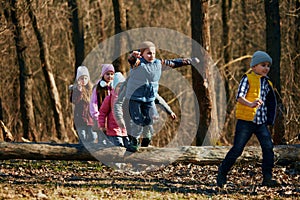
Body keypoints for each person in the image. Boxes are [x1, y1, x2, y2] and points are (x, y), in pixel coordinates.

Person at [217, 51, 278, 187]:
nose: (266, 68)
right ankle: (222, 173)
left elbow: (271, 102)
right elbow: (239, 96)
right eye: (263, 65)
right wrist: (250, 104)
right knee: (238, 149)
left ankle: (267, 178)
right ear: (254, 66)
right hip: (246, 121)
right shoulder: (247, 78)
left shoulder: (268, 82)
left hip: (261, 122)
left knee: (268, 149)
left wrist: (270, 120)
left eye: (268, 66)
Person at [125, 41, 199, 152]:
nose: (152, 55)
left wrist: (189, 61)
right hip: (135, 98)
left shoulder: (158, 64)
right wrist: (132, 56)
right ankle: (134, 141)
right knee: (138, 121)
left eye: (153, 53)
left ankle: (147, 136)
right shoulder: (138, 63)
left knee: (152, 118)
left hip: (149, 98)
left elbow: (173, 63)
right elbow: (131, 61)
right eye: (149, 53)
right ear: (142, 54)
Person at [113, 76, 177, 148]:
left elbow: (159, 99)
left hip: (144, 115)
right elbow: (118, 103)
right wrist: (119, 118)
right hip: (129, 115)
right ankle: (133, 145)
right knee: (132, 134)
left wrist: (169, 111)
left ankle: (144, 144)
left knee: (148, 132)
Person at [98, 72, 129, 147]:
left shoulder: (127, 98)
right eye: (119, 87)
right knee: (118, 148)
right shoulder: (109, 98)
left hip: (125, 130)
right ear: (114, 87)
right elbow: (102, 112)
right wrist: (102, 125)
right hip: (113, 130)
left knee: (127, 147)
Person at [70, 66, 97, 144]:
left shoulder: (92, 89)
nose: (84, 80)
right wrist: (79, 91)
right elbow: (74, 101)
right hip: (80, 119)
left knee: (93, 136)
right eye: (81, 78)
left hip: (90, 118)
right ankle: (82, 152)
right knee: (83, 137)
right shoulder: (76, 90)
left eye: (85, 78)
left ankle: (91, 150)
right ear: (78, 79)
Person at [89, 64, 115, 144]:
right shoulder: (98, 87)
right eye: (107, 74)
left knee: (110, 138)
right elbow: (93, 101)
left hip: (111, 117)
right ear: (103, 75)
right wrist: (95, 114)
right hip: (101, 116)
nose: (109, 76)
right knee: (101, 137)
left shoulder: (114, 87)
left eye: (111, 74)